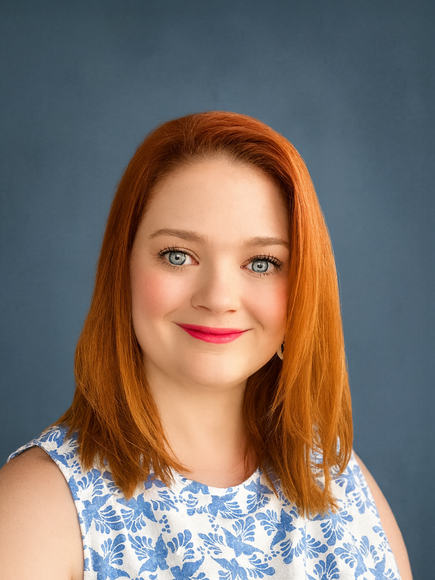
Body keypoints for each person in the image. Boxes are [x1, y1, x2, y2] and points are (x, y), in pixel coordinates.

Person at [0, 111, 412, 579]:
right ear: (122, 269)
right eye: (178, 256)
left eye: (261, 263)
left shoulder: (339, 477)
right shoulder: (35, 510)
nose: (217, 298)